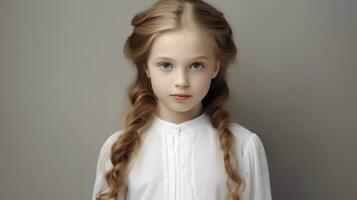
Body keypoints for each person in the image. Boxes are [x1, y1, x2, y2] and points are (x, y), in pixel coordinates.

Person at [92, 0, 272, 199]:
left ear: (215, 67)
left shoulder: (244, 147)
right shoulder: (117, 150)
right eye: (166, 65)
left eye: (196, 65)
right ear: (146, 67)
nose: (181, 81)